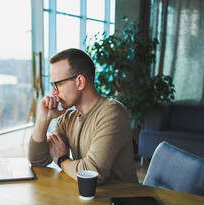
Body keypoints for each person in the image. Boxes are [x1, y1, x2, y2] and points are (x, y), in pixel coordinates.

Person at [28, 48, 138, 185]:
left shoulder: (113, 113)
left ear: (80, 82)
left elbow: (92, 173)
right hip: (87, 197)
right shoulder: (68, 118)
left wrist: (62, 159)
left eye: (59, 84)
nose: (53, 92)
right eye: (52, 85)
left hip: (120, 201)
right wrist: (42, 120)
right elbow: (38, 161)